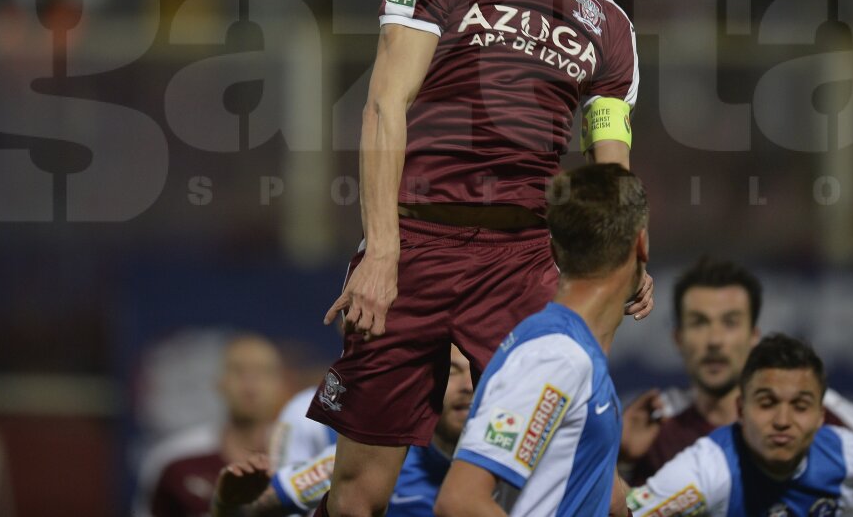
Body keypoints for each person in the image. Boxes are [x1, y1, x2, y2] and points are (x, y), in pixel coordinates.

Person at [308, 0, 655, 517]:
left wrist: (632, 248)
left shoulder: (611, 25)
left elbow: (609, 164)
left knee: (567, 463)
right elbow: (384, 103)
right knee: (356, 496)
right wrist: (381, 251)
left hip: (521, 260)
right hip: (414, 245)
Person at [620, 258, 853, 516]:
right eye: (699, 322)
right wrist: (618, 455)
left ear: (753, 336)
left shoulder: (822, 409)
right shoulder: (651, 422)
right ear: (678, 338)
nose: (714, 341)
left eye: (730, 322)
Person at [434, 163, 650, 517]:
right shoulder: (555, 356)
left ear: (552, 250)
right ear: (640, 244)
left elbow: (608, 499)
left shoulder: (573, 351)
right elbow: (460, 502)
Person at [625, 333, 853, 516]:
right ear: (741, 410)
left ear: (820, 417)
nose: (782, 421)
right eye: (767, 403)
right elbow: (626, 514)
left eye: (800, 406)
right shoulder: (707, 470)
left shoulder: (849, 456)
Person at [211, 346, 475, 517]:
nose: (468, 385)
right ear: (423, 386)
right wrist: (226, 504)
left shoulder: (510, 457)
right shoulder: (374, 459)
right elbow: (250, 510)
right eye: (451, 372)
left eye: (477, 372)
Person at [135, 333, 287, 517]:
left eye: (263, 372)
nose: (251, 387)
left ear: (281, 385)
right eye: (238, 371)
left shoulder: (302, 458)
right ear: (219, 382)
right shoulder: (174, 459)